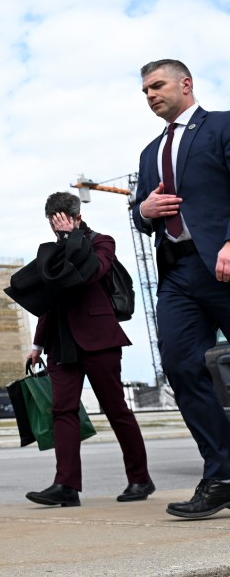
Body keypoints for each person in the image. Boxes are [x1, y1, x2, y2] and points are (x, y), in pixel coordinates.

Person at [133, 59, 230, 519]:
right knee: (180, 365)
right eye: (145, 90)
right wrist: (144, 210)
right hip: (177, 272)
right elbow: (140, 212)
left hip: (223, 261)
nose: (150, 95)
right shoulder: (149, 152)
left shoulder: (222, 126)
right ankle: (222, 474)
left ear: (185, 84)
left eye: (157, 85)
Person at [21, 192, 152, 508]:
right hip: (61, 342)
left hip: (99, 338)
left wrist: (71, 238)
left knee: (115, 408)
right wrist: (38, 344)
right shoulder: (52, 250)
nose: (57, 229)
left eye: (63, 222)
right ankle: (66, 485)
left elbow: (93, 271)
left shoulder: (101, 242)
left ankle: (140, 479)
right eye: (53, 224)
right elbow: (49, 301)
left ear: (77, 218)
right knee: (62, 411)